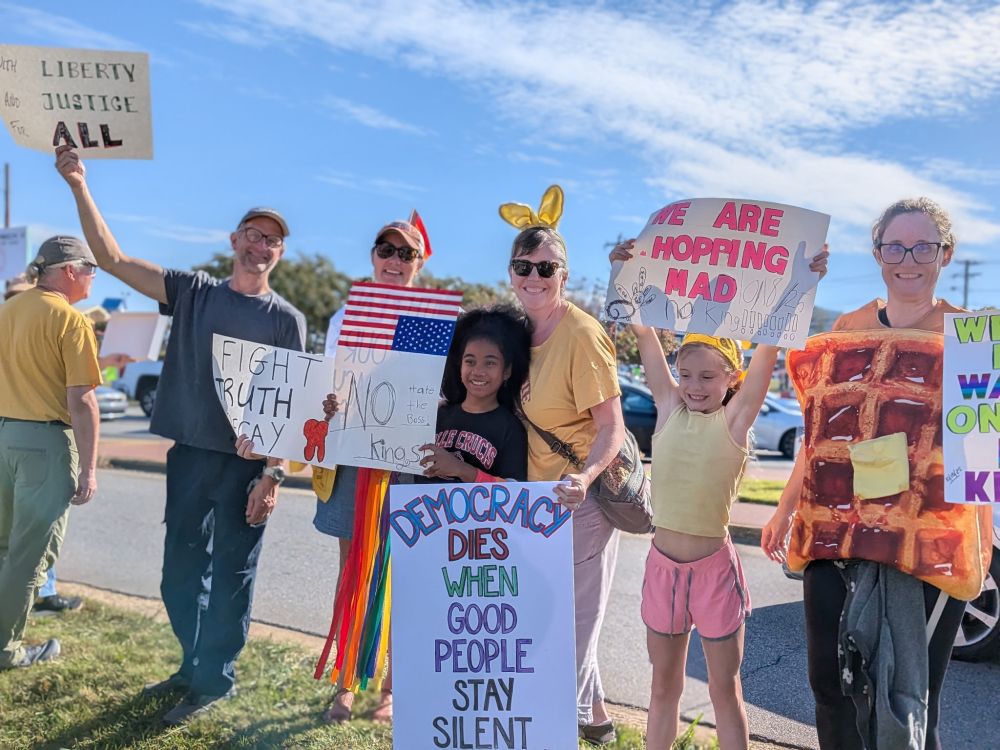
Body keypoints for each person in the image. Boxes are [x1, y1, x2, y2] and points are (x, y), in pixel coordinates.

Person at [55, 145, 306, 725]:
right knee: (179, 573)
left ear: (279, 252)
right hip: (191, 455)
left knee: (232, 578)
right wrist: (77, 184)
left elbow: (289, 403)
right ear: (234, 240)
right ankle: (193, 663)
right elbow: (112, 258)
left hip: (247, 466)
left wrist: (271, 474)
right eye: (252, 233)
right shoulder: (193, 293)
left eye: (271, 239)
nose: (260, 244)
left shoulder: (285, 320)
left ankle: (214, 679)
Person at [761, 197, 989, 749]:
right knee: (831, 685)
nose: (906, 259)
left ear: (945, 254)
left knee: (912, 694)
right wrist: (786, 507)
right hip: (839, 531)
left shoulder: (973, 337)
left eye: (922, 247)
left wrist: (981, 541)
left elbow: (980, 454)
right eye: (894, 246)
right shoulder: (850, 328)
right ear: (877, 252)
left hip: (928, 540)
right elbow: (820, 437)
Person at [610, 238, 827, 749]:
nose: (694, 385)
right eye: (685, 374)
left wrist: (805, 281)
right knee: (662, 688)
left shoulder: (735, 420)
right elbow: (644, 331)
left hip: (714, 573)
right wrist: (622, 269)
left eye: (708, 376)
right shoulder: (667, 408)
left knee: (726, 691)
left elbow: (771, 340)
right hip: (662, 570)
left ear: (733, 378)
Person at [501, 191, 625, 744]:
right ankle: (596, 718)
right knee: (554, 613)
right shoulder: (516, 332)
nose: (535, 277)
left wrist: (583, 477)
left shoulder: (581, 334)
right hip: (533, 502)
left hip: (579, 501)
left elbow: (612, 426)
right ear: (511, 273)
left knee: (570, 623)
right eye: (525, 267)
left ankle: (554, 729)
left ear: (564, 274)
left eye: (545, 268)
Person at [312, 217, 428, 724]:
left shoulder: (432, 318)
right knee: (352, 570)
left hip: (408, 462)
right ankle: (345, 681)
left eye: (406, 254)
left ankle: (390, 688)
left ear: (418, 265)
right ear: (373, 256)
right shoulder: (346, 315)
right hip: (355, 455)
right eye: (387, 250)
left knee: (402, 575)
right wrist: (330, 399)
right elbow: (326, 384)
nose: (395, 261)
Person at [0, 236, 103, 669]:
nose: (93, 277)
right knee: (27, 555)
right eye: (90, 268)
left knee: (6, 547)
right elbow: (82, 400)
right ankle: (7, 649)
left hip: (6, 436)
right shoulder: (71, 320)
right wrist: (90, 469)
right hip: (46, 442)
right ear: (68, 271)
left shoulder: (9, 310)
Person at [417, 305, 530, 484]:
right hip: (421, 510)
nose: (478, 371)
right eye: (470, 361)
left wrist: (462, 470)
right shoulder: (436, 416)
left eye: (490, 363)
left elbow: (514, 493)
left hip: (476, 513)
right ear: (459, 366)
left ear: (507, 371)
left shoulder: (510, 429)